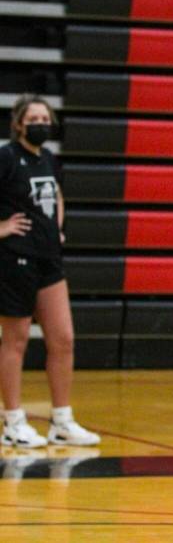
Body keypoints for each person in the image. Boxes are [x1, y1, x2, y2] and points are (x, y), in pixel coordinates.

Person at [0, 94, 100, 448]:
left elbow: (55, 195)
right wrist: (3, 228)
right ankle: (12, 421)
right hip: (15, 260)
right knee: (16, 341)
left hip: (49, 259)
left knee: (63, 339)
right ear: (19, 123)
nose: (41, 122)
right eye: (34, 117)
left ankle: (62, 420)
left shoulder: (49, 159)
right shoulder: (6, 157)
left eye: (46, 117)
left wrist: (55, 227)